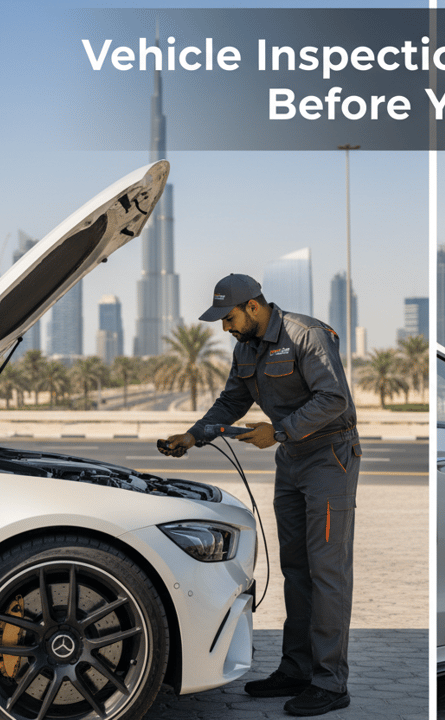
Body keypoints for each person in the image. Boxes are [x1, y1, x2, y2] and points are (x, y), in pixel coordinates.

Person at [159, 273, 360, 717]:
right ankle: (297, 669)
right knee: (296, 569)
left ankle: (330, 683)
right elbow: (231, 401)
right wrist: (193, 436)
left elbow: (334, 399)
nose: (224, 327)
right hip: (291, 460)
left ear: (253, 306)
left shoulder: (306, 335)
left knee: (327, 571)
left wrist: (280, 431)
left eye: (228, 318)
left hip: (330, 458)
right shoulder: (245, 349)